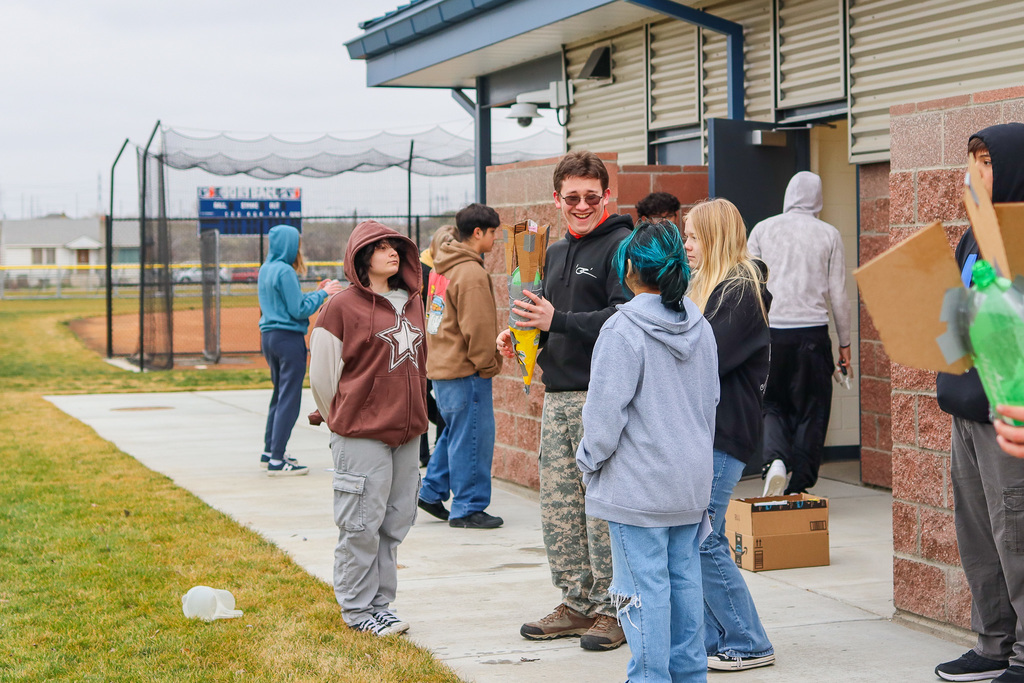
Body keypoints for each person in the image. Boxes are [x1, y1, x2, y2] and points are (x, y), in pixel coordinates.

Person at [497, 149, 633, 651]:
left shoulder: (622, 247)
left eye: (590, 197)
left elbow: (626, 318)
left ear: (607, 196)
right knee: (559, 509)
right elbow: (542, 317)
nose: (581, 205)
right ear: (556, 199)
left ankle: (612, 609)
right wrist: (523, 340)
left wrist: (557, 322)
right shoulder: (549, 254)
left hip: (603, 397)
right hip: (557, 398)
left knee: (601, 511)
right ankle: (575, 602)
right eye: (571, 197)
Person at [577, 220, 719, 682]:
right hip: (689, 484)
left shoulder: (622, 330)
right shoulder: (702, 327)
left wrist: (587, 463)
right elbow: (710, 403)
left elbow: (602, 418)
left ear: (631, 267)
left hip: (637, 488)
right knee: (683, 585)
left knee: (642, 593)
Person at [934, 123, 1024, 683]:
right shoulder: (973, 236)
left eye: (986, 161)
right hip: (965, 406)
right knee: (979, 538)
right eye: (971, 160)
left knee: (1017, 532)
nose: (975, 172)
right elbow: (960, 314)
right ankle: (993, 645)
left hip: (1007, 410)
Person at [308, 220, 428, 636]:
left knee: (395, 522)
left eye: (396, 246)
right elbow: (323, 376)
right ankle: (357, 611)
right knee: (360, 524)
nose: (392, 252)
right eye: (381, 247)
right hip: (360, 434)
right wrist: (342, 419)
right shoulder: (340, 307)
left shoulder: (413, 302)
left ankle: (381, 605)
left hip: (407, 432)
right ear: (362, 257)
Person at [683, 199, 775, 672]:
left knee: (703, 537)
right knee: (695, 535)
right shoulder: (710, 287)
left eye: (694, 237)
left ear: (715, 237)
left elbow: (703, 358)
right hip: (706, 432)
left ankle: (748, 640)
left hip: (725, 432)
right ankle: (718, 639)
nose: (687, 246)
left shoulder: (741, 290)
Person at [747, 171, 851, 496]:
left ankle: (775, 461)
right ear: (818, 198)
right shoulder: (829, 234)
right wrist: (845, 344)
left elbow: (750, 284)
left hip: (772, 334)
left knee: (772, 404)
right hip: (813, 335)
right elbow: (839, 293)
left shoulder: (763, 229)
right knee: (812, 408)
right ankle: (800, 484)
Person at [417, 204, 505, 529]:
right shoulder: (471, 273)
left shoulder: (442, 267)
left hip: (441, 368)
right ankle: (468, 507)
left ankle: (431, 491)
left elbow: (435, 319)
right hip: (466, 370)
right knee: (473, 439)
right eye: (493, 232)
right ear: (478, 233)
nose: (496, 239)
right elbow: (478, 328)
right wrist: (488, 364)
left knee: (454, 434)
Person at [257, 224, 342, 476]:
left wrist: (315, 293)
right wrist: (325, 294)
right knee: (290, 400)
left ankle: (270, 452)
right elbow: (299, 310)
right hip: (288, 339)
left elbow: (289, 303)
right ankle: (276, 460)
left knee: (278, 396)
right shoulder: (285, 271)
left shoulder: (266, 269)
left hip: (269, 337)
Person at [418, 225, 456, 467]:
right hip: (429, 343)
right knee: (427, 397)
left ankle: (432, 453)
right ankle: (427, 453)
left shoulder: (436, 269)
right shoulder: (427, 271)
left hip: (432, 341)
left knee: (430, 398)